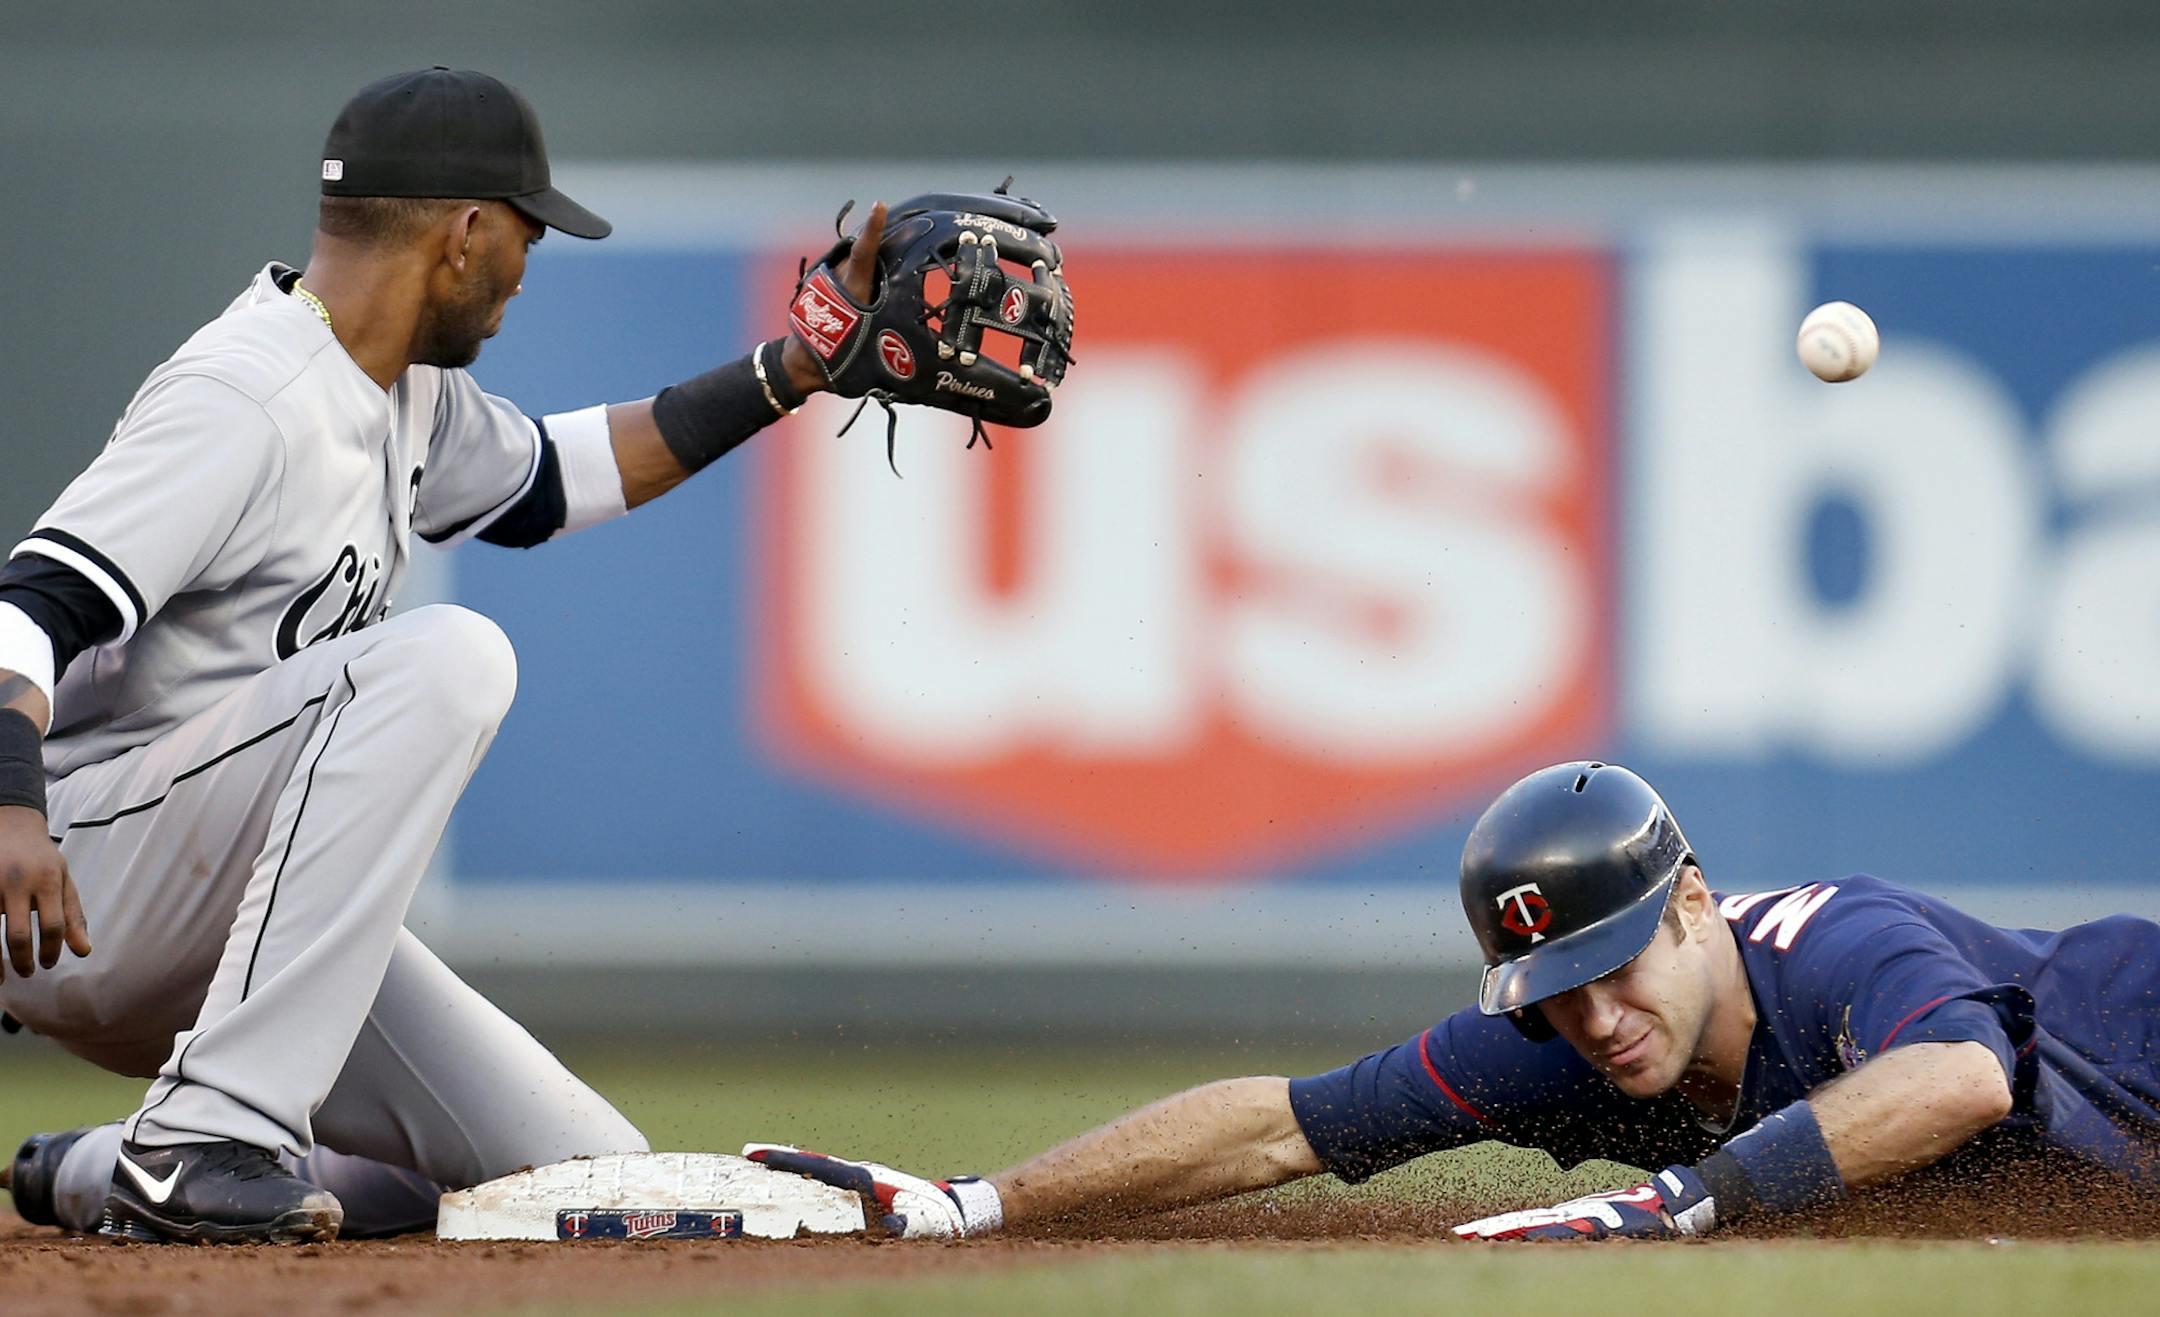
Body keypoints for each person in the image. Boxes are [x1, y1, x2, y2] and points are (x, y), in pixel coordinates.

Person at [0, 66, 895, 1244]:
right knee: (446, 658)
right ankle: (198, 1140)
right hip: (86, 885)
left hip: (240, 931)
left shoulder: (401, 391)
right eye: (529, 232)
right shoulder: (247, 393)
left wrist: (798, 367)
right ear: (465, 234)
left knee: (583, 1175)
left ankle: (100, 1168)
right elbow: (27, 601)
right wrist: (14, 811)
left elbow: (565, 477)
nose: (529, 267)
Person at [740, 760, 2160, 1241]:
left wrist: (1679, 1203)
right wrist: (974, 1205)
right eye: (1553, 990)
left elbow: (1966, 1077)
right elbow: (1287, 1127)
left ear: (1688, 904)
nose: (1594, 1016)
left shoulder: (1835, 939)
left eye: (1613, 968)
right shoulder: (1581, 1048)